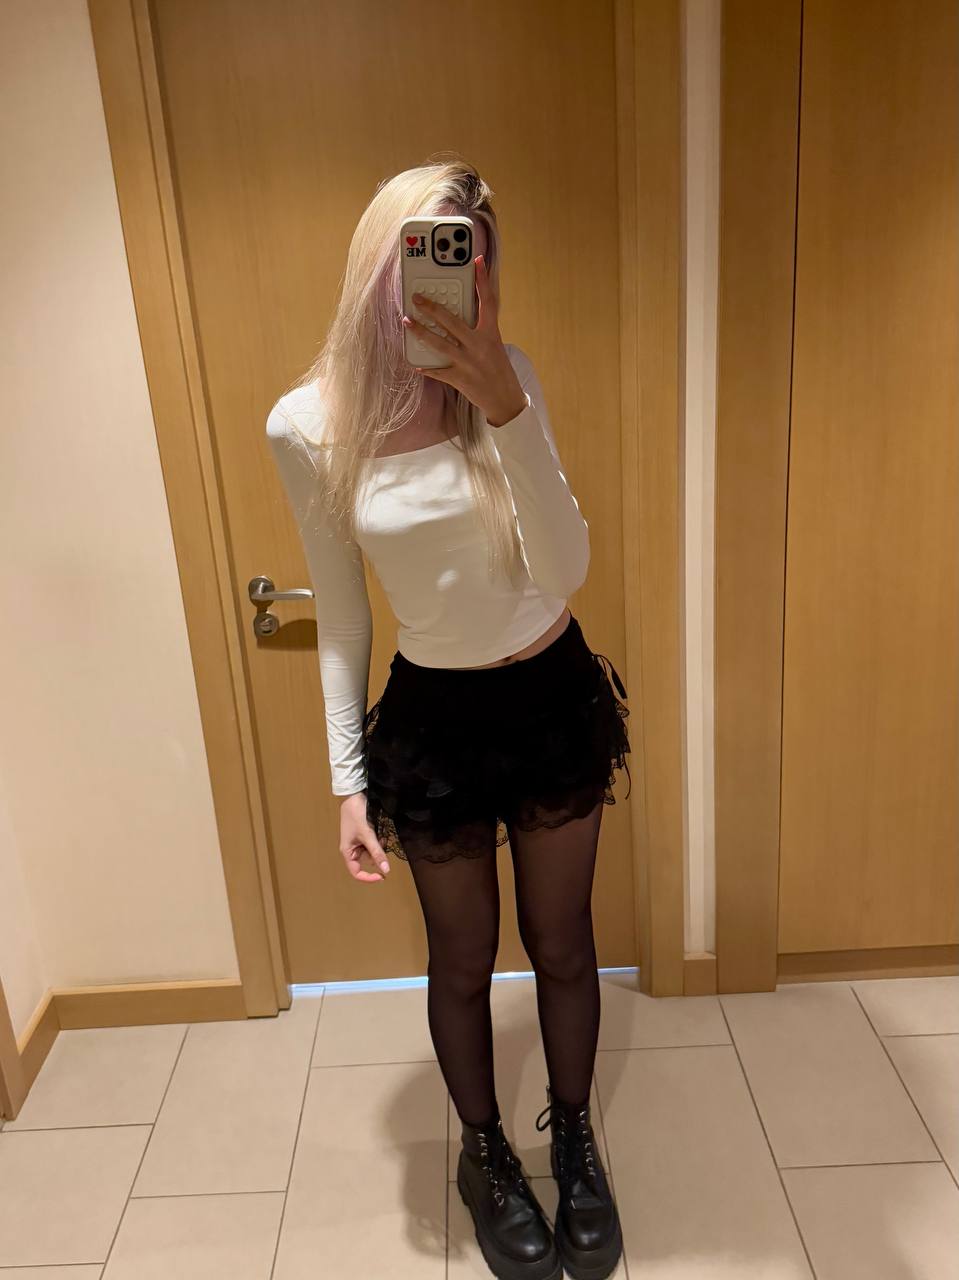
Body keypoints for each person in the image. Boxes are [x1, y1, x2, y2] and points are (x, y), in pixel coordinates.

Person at [266, 156, 629, 1280]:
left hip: (550, 692)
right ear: (380, 264)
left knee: (562, 944)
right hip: (433, 718)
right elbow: (339, 614)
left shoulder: (507, 381)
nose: (446, 275)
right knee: (461, 956)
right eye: (425, 251)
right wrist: (345, 779)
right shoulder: (306, 424)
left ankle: (574, 1141)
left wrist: (504, 404)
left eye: (467, 254)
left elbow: (564, 568)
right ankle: (483, 1154)